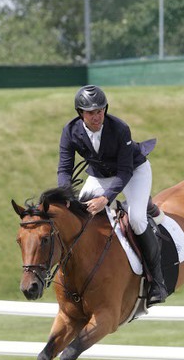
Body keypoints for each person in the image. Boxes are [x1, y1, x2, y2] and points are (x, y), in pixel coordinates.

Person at [57, 84, 167, 305]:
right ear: (80, 113)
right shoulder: (70, 131)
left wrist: (105, 199)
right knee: (79, 216)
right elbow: (64, 170)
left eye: (100, 111)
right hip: (101, 175)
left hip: (134, 171)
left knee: (136, 219)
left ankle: (157, 282)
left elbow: (125, 171)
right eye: (91, 112)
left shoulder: (119, 128)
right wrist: (65, 198)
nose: (97, 116)